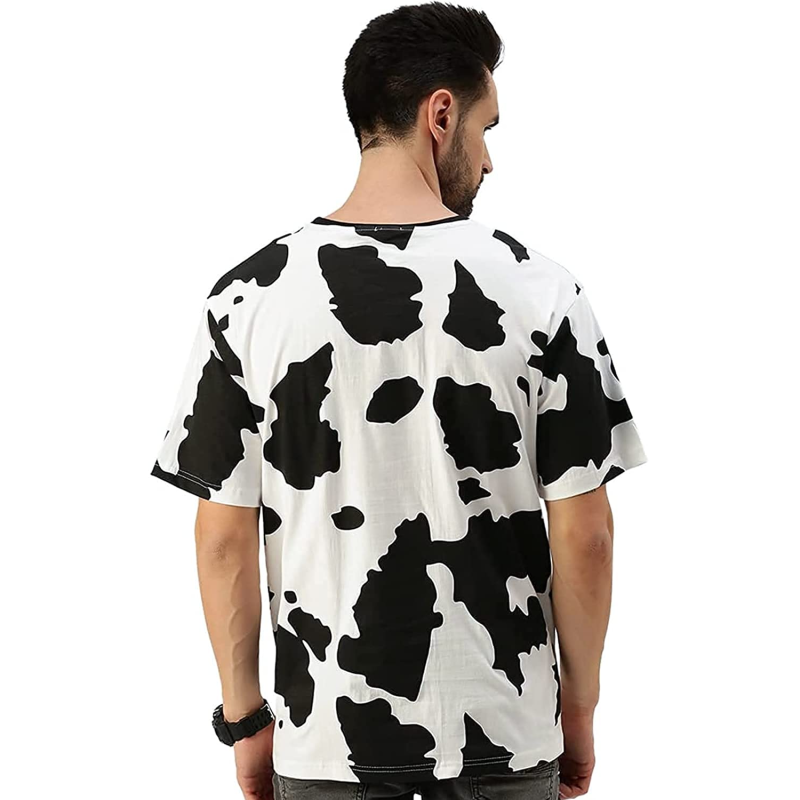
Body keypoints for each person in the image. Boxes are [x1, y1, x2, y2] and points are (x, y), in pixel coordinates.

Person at [149, 3, 648, 799]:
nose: (490, 160)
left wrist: (245, 722)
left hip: (325, 751)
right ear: (440, 116)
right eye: (486, 127)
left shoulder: (248, 299)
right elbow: (586, 534)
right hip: (506, 743)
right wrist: (579, 709)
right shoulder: (542, 292)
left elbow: (221, 539)